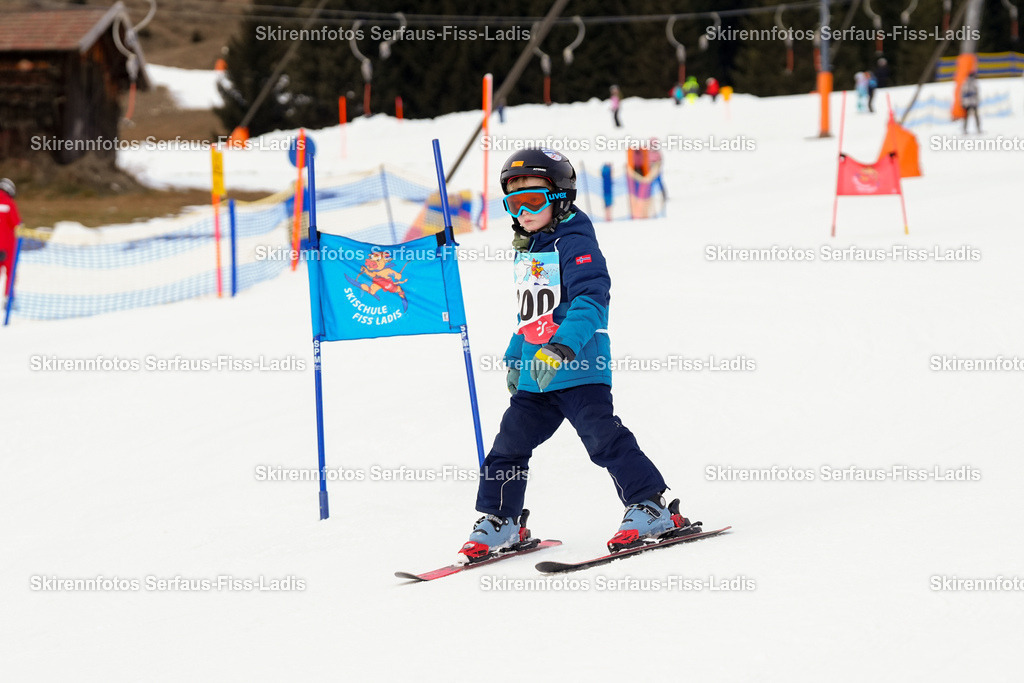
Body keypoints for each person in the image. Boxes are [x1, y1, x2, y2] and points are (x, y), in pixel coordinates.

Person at [457, 148, 693, 563]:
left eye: (532, 200)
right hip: (537, 375)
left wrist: (560, 349)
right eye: (514, 202)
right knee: (507, 445)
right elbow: (531, 313)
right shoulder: (529, 247)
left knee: (603, 438)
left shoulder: (575, 242)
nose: (523, 211)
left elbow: (590, 300)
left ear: (560, 198)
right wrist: (517, 356)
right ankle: (501, 520)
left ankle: (650, 507)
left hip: (579, 367)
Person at [0, 178, 21, 298]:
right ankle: (8, 299)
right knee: (10, 272)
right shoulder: (9, 204)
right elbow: (17, 223)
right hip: (7, 247)